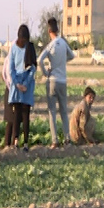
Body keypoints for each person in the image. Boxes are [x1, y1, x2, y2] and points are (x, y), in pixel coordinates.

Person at [38, 17, 75, 148]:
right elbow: (72, 55)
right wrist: (63, 62)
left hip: (52, 80)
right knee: (64, 111)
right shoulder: (63, 43)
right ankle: (67, 138)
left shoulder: (50, 45)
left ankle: (54, 140)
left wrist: (45, 73)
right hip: (63, 81)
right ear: (57, 29)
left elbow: (39, 60)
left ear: (49, 31)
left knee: (52, 112)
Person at [9, 24, 37, 152]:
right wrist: (16, 83)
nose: (23, 42)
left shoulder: (30, 48)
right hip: (17, 85)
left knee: (26, 115)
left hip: (27, 85)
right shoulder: (13, 48)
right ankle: (15, 141)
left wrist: (25, 83)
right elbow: (11, 69)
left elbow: (33, 68)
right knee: (17, 115)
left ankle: (26, 143)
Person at [1, 53, 14, 148]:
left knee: (12, 119)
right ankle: (10, 143)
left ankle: (9, 143)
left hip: (9, 89)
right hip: (13, 89)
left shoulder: (7, 58)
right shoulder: (12, 59)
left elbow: (4, 75)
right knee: (12, 118)